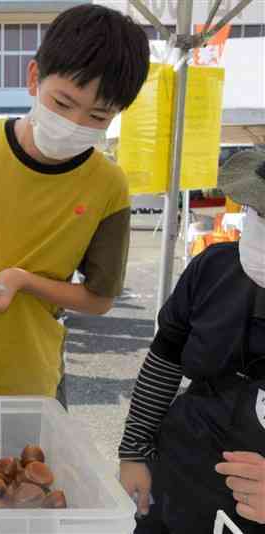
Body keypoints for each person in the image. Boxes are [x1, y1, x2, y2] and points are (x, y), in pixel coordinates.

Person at [0, 4, 150, 402]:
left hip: (26, 374)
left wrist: (22, 280)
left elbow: (99, 298)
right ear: (33, 78)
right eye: (62, 104)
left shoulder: (107, 183)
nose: (75, 124)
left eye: (98, 116)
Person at [119, 151, 265, 533]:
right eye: (261, 213)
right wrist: (135, 450)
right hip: (183, 470)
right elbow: (165, 358)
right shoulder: (214, 268)